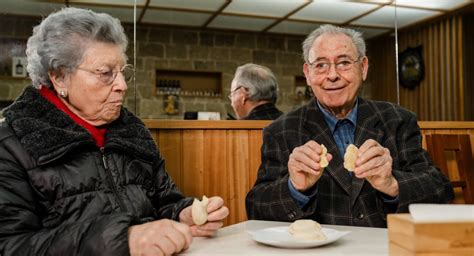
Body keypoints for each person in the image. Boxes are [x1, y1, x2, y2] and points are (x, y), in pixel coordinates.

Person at [0, 7, 228, 255]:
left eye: (122, 72)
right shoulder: (11, 144)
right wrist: (120, 239)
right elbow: (11, 245)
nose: (121, 85)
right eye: (105, 73)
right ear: (59, 77)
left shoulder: (132, 130)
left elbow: (164, 201)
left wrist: (183, 214)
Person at [245, 24, 453, 228]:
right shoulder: (281, 130)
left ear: (363, 68)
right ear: (308, 74)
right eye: (320, 65)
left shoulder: (398, 120)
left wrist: (392, 184)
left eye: (344, 63)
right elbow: (256, 207)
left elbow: (440, 190)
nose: (333, 75)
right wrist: (295, 188)